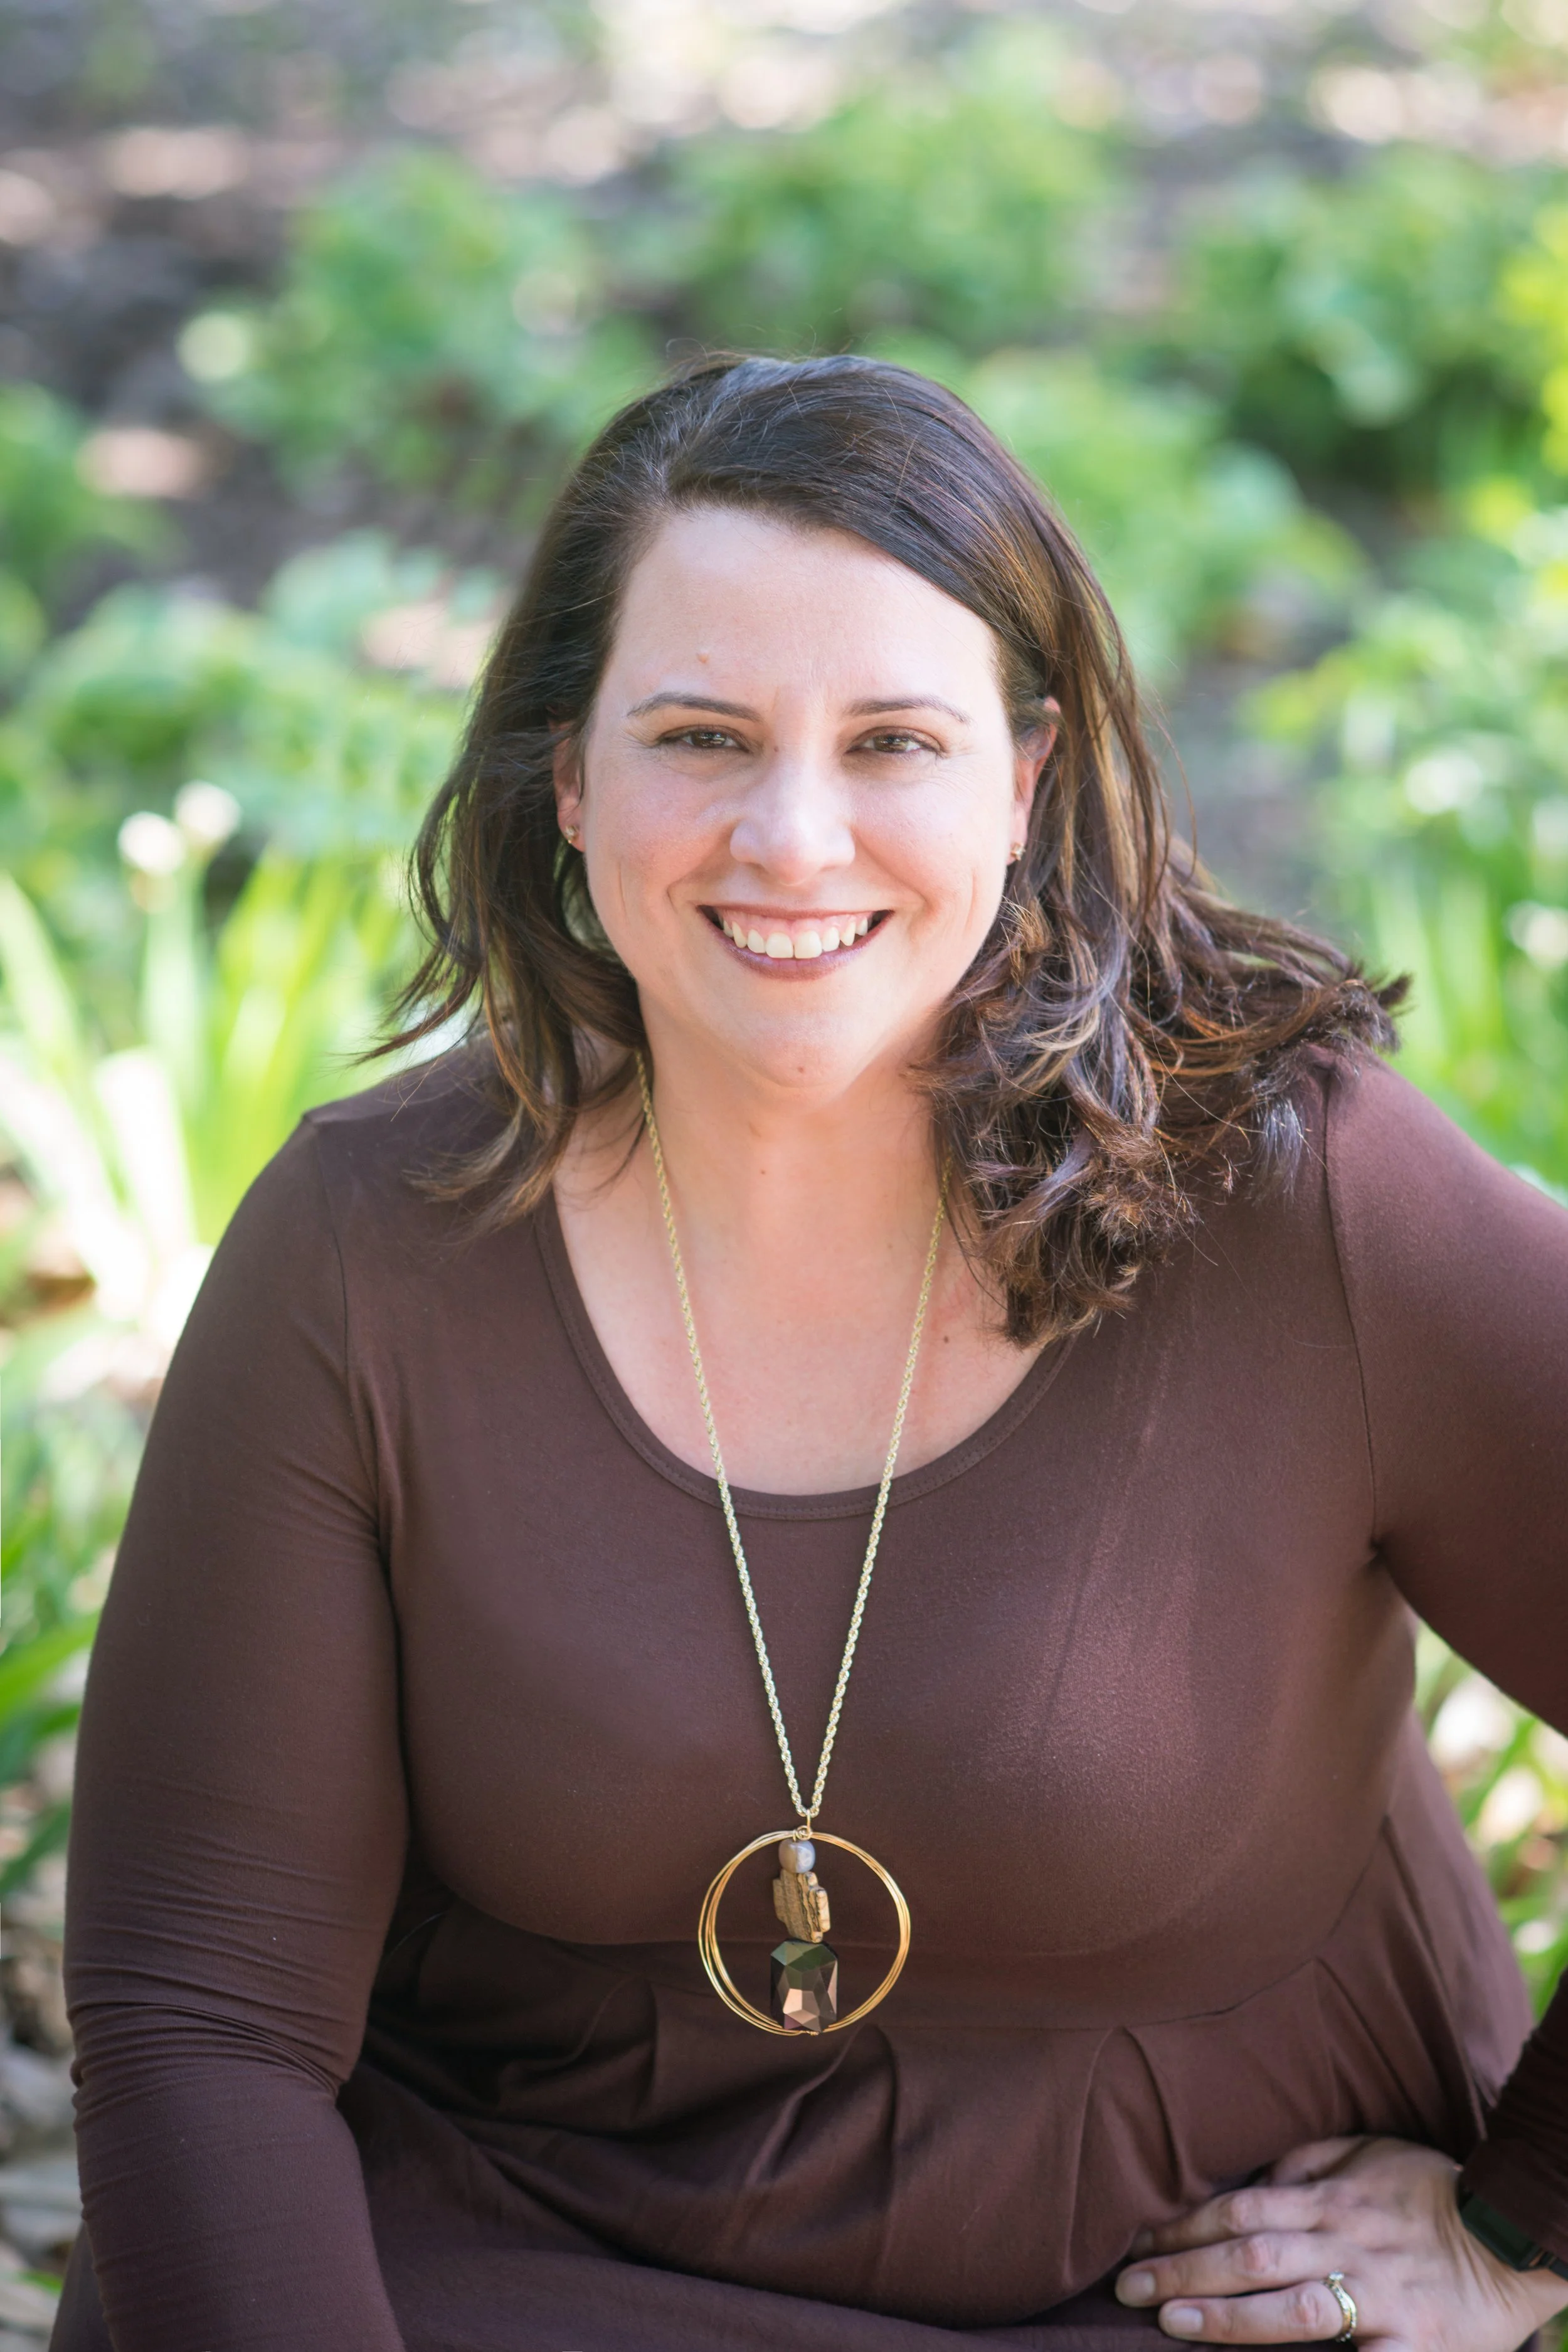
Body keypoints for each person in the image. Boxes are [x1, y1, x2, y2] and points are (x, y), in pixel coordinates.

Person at [51, 354, 1568, 2352]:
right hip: (527, 2252)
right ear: (566, 775)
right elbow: (205, 2021)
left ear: (1022, 778)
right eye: (700, 735)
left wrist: (1516, 2226)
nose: (791, 835)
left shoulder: (1304, 1198)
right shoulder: (366, 1251)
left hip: (1187, 2278)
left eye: (891, 741)